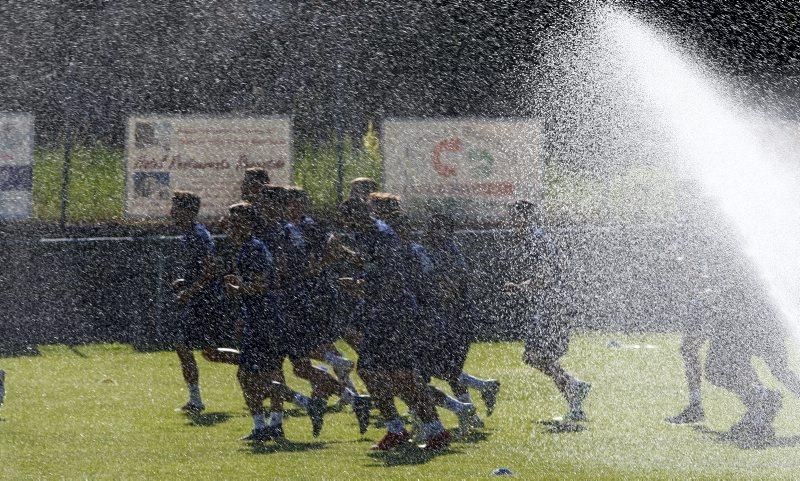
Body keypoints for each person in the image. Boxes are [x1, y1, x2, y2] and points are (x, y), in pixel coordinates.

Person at [338, 198, 451, 451]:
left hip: (395, 312)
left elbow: (391, 277)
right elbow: (373, 267)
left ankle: (434, 431)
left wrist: (362, 288)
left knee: (403, 377)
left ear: (358, 215)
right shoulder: (366, 233)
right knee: (371, 371)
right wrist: (354, 269)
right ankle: (398, 429)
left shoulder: (381, 234)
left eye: (348, 219)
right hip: (383, 311)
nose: (347, 224)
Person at [368, 194, 478, 436]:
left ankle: (438, 423)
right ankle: (445, 416)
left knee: (407, 378)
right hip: (416, 321)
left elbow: (439, 287)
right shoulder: (409, 251)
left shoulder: (412, 252)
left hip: (417, 323)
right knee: (407, 378)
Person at [224, 202, 322, 442]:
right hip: (262, 316)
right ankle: (272, 425)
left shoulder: (253, 249)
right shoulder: (247, 248)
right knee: (264, 374)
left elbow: (260, 285)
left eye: (237, 221)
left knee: (254, 375)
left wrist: (238, 289)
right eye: (231, 221)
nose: (231, 226)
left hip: (264, 319)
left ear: (248, 224)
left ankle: (277, 419)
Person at [503, 200, 590, 422]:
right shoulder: (536, 238)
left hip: (554, 305)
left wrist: (520, 286)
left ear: (524, 218)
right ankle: (575, 398)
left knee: (534, 356)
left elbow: (546, 275)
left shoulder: (537, 239)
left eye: (514, 217)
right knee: (538, 357)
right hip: (553, 304)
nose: (511, 222)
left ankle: (573, 386)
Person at [424, 213, 499, 424]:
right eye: (430, 227)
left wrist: (441, 293)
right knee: (447, 370)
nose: (429, 232)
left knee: (440, 369)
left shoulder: (448, 251)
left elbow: (457, 283)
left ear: (444, 231)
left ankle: (477, 398)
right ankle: (473, 409)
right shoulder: (439, 249)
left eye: (434, 228)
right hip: (448, 318)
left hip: (457, 320)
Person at [169, 191, 232, 413]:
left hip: (205, 300)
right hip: (202, 298)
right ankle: (255, 364)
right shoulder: (189, 233)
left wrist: (190, 291)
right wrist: (184, 281)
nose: (171, 211)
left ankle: (195, 400)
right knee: (210, 352)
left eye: (175, 207)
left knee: (183, 345)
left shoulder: (197, 234)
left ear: (188, 211)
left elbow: (211, 269)